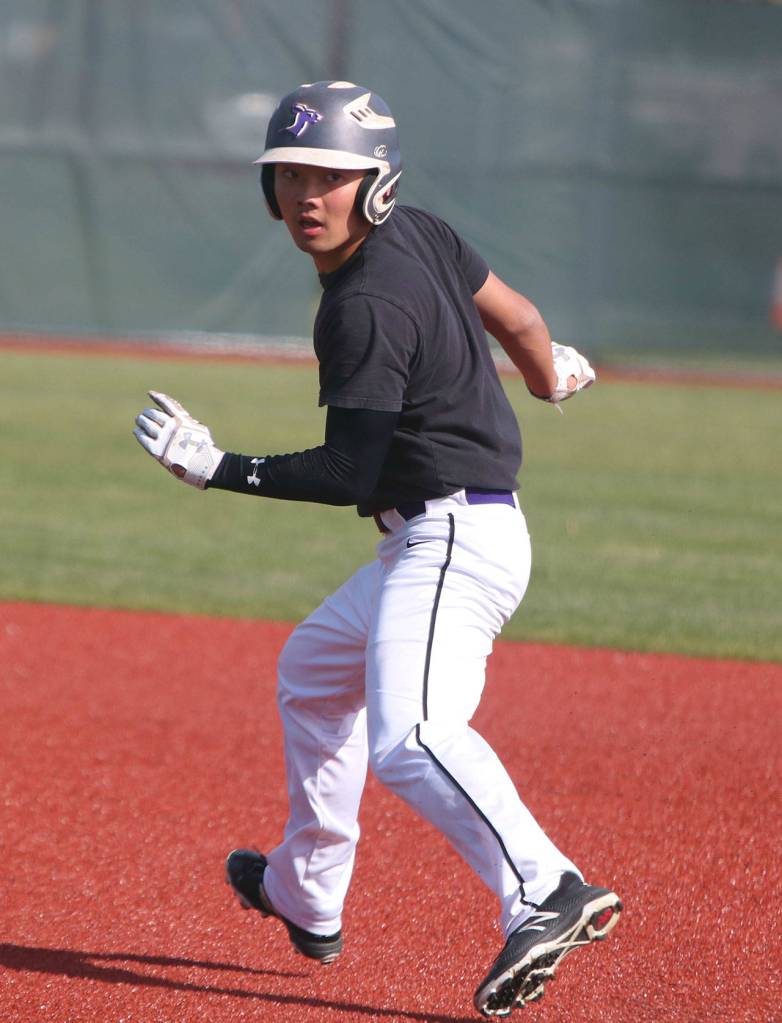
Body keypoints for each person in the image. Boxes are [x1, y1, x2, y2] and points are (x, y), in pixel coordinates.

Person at [133, 80, 621, 1018]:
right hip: (441, 535)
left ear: (375, 182)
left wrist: (215, 467)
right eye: (289, 176)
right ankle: (305, 890)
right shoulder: (426, 235)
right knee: (313, 672)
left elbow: (351, 472)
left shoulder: (360, 305)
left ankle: (546, 886)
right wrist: (544, 374)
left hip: (452, 539)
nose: (307, 197)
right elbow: (518, 317)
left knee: (413, 737)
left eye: (331, 175)